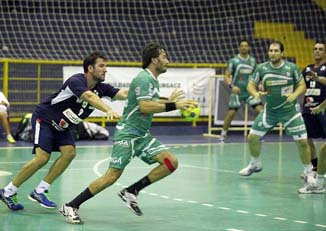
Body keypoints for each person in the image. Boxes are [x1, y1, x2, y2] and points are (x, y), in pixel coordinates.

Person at [59, 42, 197, 224]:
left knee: (170, 162)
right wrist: (175, 105)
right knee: (111, 176)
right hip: (128, 134)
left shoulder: (152, 80)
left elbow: (150, 101)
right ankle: (71, 205)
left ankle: (131, 191)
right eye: (164, 57)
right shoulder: (144, 79)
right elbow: (145, 106)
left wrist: (169, 100)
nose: (168, 61)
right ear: (154, 59)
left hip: (142, 135)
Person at [0, 51, 128, 211]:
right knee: (42, 158)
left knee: (69, 153)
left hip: (63, 126)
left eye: (106, 66)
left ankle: (40, 191)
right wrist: (108, 108)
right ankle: (8, 190)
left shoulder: (101, 88)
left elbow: (122, 94)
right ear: (90, 68)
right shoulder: (76, 81)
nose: (105, 70)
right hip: (45, 119)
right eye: (101, 66)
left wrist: (138, 93)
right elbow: (88, 96)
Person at [238, 41, 313, 183]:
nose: (272, 53)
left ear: (282, 53)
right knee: (252, 137)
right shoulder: (261, 68)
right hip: (270, 111)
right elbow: (250, 85)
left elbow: (302, 85)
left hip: (290, 111)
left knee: (303, 142)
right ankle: (255, 163)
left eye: (275, 51)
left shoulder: (291, 68)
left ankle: (308, 172)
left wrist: (294, 95)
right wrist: (255, 94)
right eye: (270, 50)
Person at [220, 40, 263, 141]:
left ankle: (255, 133)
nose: (244, 47)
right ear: (239, 48)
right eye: (242, 46)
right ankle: (223, 134)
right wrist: (232, 86)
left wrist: (260, 84)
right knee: (231, 114)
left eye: (246, 46)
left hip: (249, 92)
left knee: (261, 112)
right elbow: (227, 75)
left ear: (249, 48)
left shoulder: (253, 61)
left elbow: (257, 74)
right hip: (237, 92)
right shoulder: (233, 61)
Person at [301, 42, 326, 174]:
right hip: (308, 108)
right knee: (306, 138)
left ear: (325, 52)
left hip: (323, 108)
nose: (317, 51)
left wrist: (318, 78)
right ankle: (315, 167)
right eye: (315, 49)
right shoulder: (307, 69)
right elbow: (299, 86)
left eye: (320, 49)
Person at [298, 93, 326, 193]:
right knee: (323, 150)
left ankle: (319, 184)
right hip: (311, 108)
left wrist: (321, 106)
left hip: (320, 108)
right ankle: (318, 183)